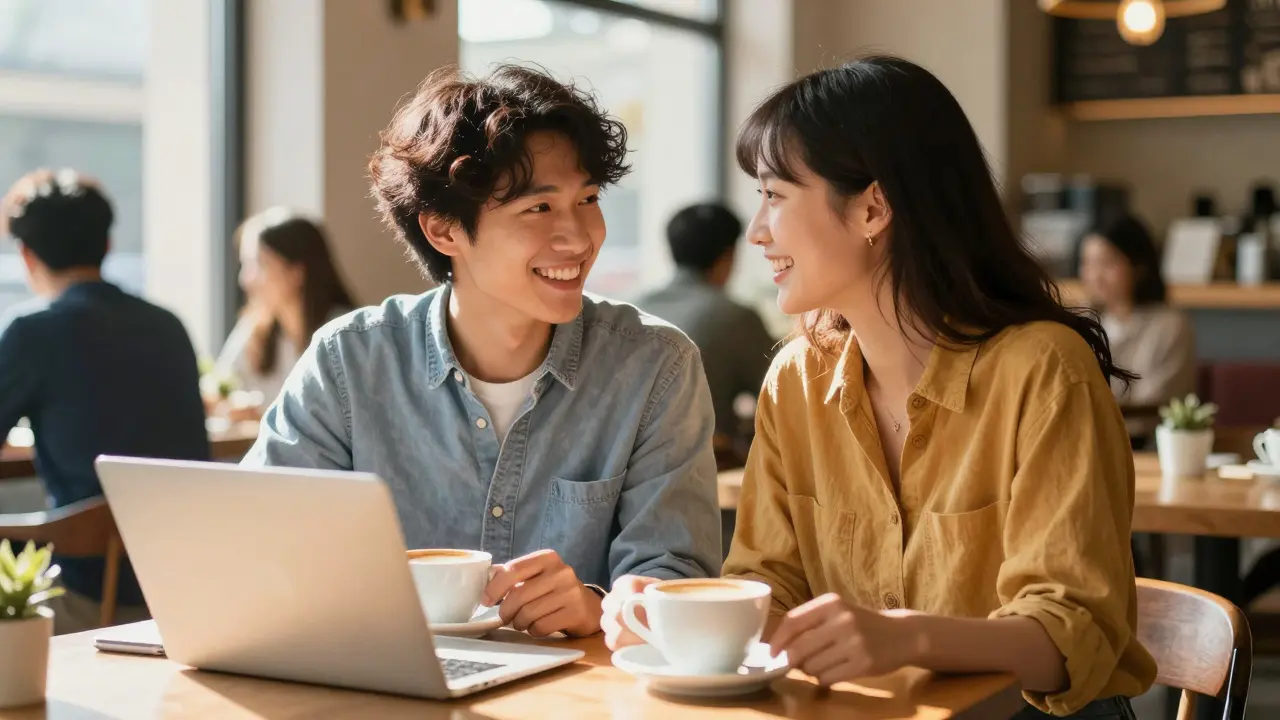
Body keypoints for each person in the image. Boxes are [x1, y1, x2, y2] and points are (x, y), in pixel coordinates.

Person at [604, 57, 1156, 719]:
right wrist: (677, 618)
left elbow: (1075, 635)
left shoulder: (1043, 370)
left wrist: (907, 636)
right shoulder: (796, 380)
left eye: (775, 196)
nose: (755, 232)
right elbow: (767, 584)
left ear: (872, 207)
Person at [241, 64, 721, 639]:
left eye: (587, 198)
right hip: (389, 680)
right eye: (539, 208)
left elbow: (674, 576)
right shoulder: (349, 363)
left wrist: (600, 606)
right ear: (444, 231)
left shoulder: (654, 366)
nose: (580, 236)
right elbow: (263, 543)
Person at [0, 169, 209, 634]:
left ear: (27, 256)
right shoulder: (168, 325)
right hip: (180, 586)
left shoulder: (31, 332)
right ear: (108, 245)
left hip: (87, 593)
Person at [635, 203, 776, 438]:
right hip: (703, 465)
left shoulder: (634, 308)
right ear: (728, 255)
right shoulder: (734, 316)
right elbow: (781, 394)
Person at [212, 208, 355, 407]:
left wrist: (260, 413)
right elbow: (220, 388)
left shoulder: (344, 336)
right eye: (244, 265)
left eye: (259, 264)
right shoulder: (255, 328)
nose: (245, 280)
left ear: (297, 272)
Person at [1077, 214, 1195, 438]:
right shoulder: (1084, 322)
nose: (1095, 275)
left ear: (1139, 266)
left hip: (1145, 443)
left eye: (1107, 263)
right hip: (1089, 439)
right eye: (1088, 263)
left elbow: (1153, 405)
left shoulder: (1170, 325)